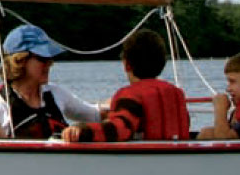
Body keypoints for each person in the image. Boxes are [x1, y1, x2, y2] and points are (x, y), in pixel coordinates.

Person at [0, 24, 101, 139]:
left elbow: (95, 114)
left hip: (60, 166)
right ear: (20, 61)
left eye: (50, 58)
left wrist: (120, 100)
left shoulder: (55, 93)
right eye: (43, 58)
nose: (49, 64)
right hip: (18, 169)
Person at [61, 28, 189, 143]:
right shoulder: (176, 94)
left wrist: (82, 130)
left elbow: (119, 130)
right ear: (162, 63)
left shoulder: (130, 96)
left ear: (127, 64)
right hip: (177, 160)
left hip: (146, 163)